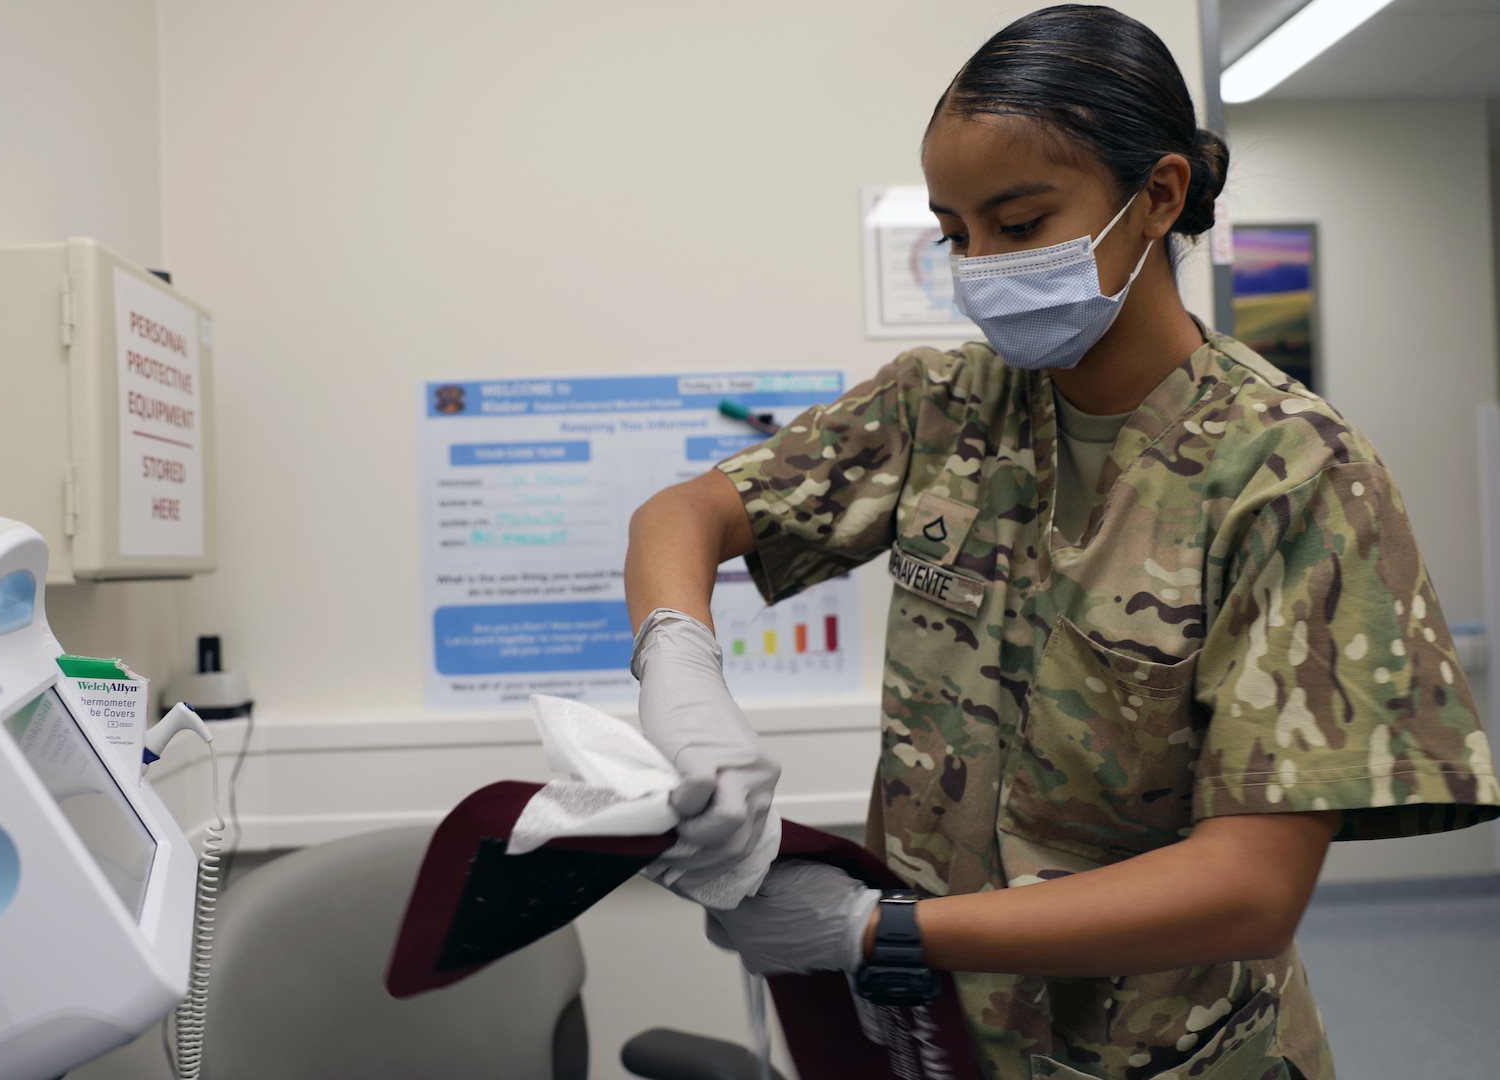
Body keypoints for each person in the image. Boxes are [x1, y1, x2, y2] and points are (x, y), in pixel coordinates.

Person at [622, 5, 1500, 1079]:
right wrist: (682, 670)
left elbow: (1251, 885)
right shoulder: (943, 406)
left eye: (1021, 222)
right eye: (954, 234)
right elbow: (684, 514)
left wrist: (880, 932)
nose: (980, 265)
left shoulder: (1292, 473)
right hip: (940, 1040)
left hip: (1167, 1053)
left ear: (1160, 196)